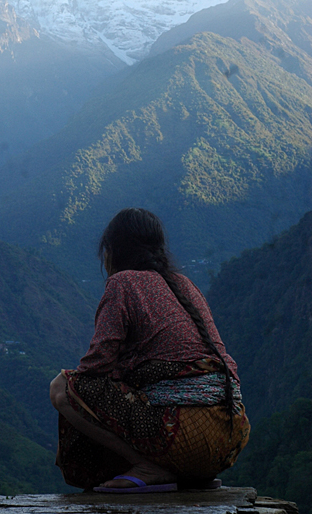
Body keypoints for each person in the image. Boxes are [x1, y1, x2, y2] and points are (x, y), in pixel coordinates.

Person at [49, 208, 250, 494]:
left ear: (112, 251)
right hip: (228, 436)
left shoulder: (123, 282)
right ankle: (186, 472)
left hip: (181, 435)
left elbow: (96, 365)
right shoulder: (186, 285)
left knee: (63, 388)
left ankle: (147, 467)